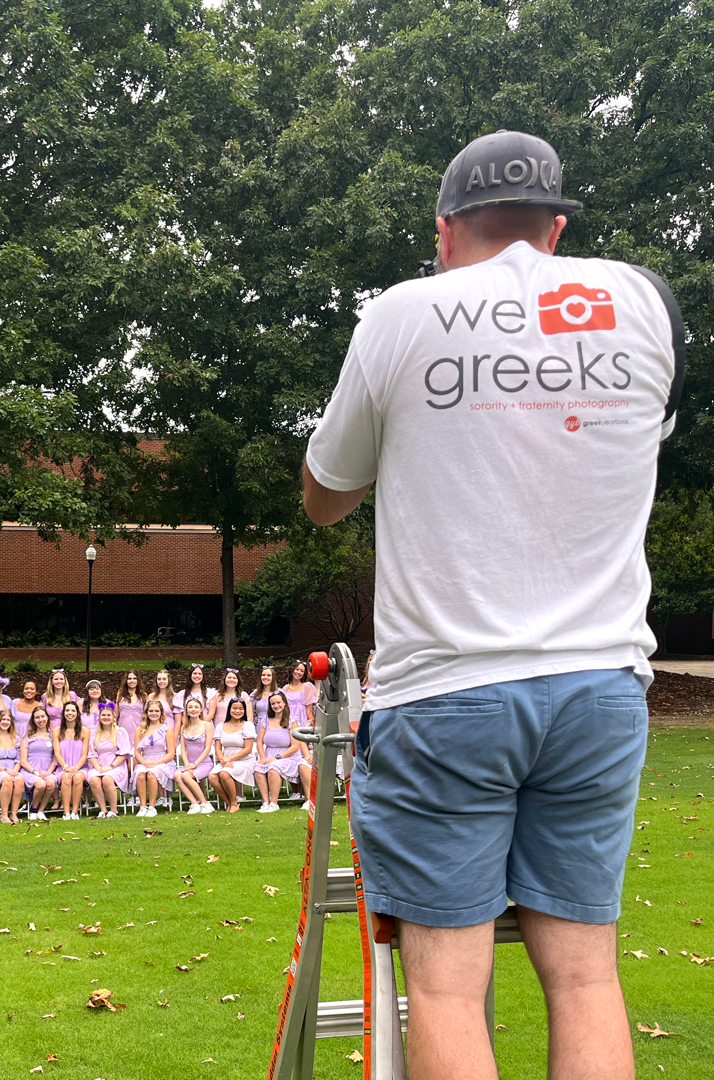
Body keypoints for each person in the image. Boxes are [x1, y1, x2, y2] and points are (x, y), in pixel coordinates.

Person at [303, 130, 684, 1080]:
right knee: (588, 978)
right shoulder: (640, 302)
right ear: (554, 229)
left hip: (448, 689)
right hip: (600, 684)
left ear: (444, 231)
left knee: (443, 989)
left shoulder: (405, 312)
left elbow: (323, 493)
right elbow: (640, 442)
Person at [253, 691, 308, 812]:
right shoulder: (266, 721)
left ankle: (274, 803)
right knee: (258, 768)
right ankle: (266, 802)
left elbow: (295, 747)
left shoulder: (291, 722)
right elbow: (259, 742)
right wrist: (262, 757)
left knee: (273, 769)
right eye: (273, 703)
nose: (276, 705)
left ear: (284, 703)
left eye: (278, 702)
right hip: (269, 755)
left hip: (288, 757)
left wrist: (276, 758)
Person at [209, 698, 257, 813]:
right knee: (212, 777)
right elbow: (218, 748)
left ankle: (234, 804)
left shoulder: (247, 725)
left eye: (241, 709)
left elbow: (248, 749)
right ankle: (229, 802)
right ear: (229, 709)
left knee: (224, 774)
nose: (237, 711)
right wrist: (222, 759)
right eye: (235, 708)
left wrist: (229, 758)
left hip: (244, 760)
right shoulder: (221, 726)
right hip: (225, 760)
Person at [130, 699, 175, 817]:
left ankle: (152, 806)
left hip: (162, 760)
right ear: (146, 712)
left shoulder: (166, 729)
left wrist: (156, 762)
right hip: (145, 760)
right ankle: (143, 807)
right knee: (140, 774)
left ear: (161, 713)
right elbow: (137, 751)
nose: (153, 713)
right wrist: (144, 762)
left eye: (156, 711)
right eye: (151, 711)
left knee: (151, 773)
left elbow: (171, 753)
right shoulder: (140, 729)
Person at [87, 703, 131, 818]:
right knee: (93, 780)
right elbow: (92, 754)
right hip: (99, 765)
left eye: (108, 715)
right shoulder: (94, 734)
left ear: (113, 717)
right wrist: (98, 768)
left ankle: (114, 810)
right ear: (99, 717)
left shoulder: (120, 731)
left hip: (116, 764)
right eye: (103, 715)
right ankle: (103, 810)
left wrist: (110, 766)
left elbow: (123, 753)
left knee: (107, 779)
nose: (106, 717)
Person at [173, 696, 214, 814]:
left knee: (185, 776)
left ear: (201, 710)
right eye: (190, 707)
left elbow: (207, 748)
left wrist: (195, 764)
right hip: (189, 764)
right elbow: (183, 748)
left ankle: (205, 804)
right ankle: (194, 804)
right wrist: (187, 764)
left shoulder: (207, 725)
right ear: (186, 710)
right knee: (177, 775)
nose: (193, 709)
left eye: (196, 707)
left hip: (203, 763)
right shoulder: (183, 727)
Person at [20, 705, 57, 820]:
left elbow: (55, 758)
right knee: (40, 784)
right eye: (37, 718)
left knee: (51, 783)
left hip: (47, 770)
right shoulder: (27, 736)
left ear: (47, 718)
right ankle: (33, 809)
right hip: (30, 770)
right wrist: (35, 772)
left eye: (43, 716)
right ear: (33, 720)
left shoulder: (53, 736)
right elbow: (23, 760)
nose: (40, 720)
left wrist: (48, 772)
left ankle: (40, 810)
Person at [282, 661, 316, 730]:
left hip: (302, 718)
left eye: (302, 671)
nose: (299, 672)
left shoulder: (306, 686)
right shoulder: (285, 689)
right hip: (288, 719)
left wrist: (313, 724)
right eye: (297, 669)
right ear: (292, 670)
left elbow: (309, 711)